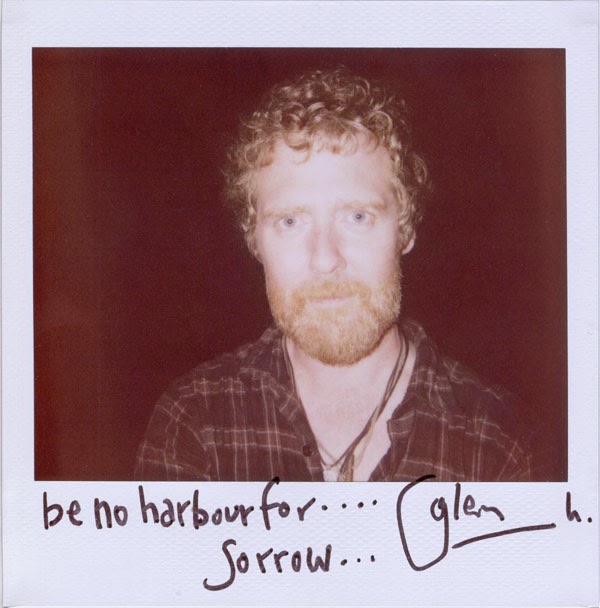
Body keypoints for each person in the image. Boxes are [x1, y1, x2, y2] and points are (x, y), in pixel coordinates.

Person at [135, 68, 532, 482]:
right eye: (290, 221)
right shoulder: (195, 424)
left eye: (357, 216)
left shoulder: (499, 445)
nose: (325, 259)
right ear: (255, 241)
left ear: (405, 229)